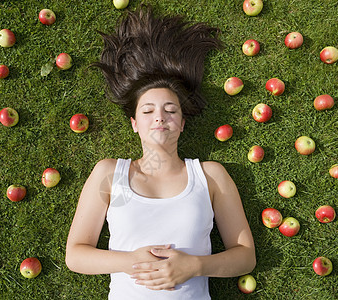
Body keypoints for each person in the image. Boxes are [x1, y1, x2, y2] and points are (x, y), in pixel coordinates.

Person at [66, 5, 256, 299]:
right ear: (134, 124)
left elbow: (245, 256)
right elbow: (76, 255)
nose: (160, 117)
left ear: (181, 124)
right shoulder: (109, 173)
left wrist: (194, 266)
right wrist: (131, 261)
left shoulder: (211, 175)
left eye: (170, 110)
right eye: (148, 110)